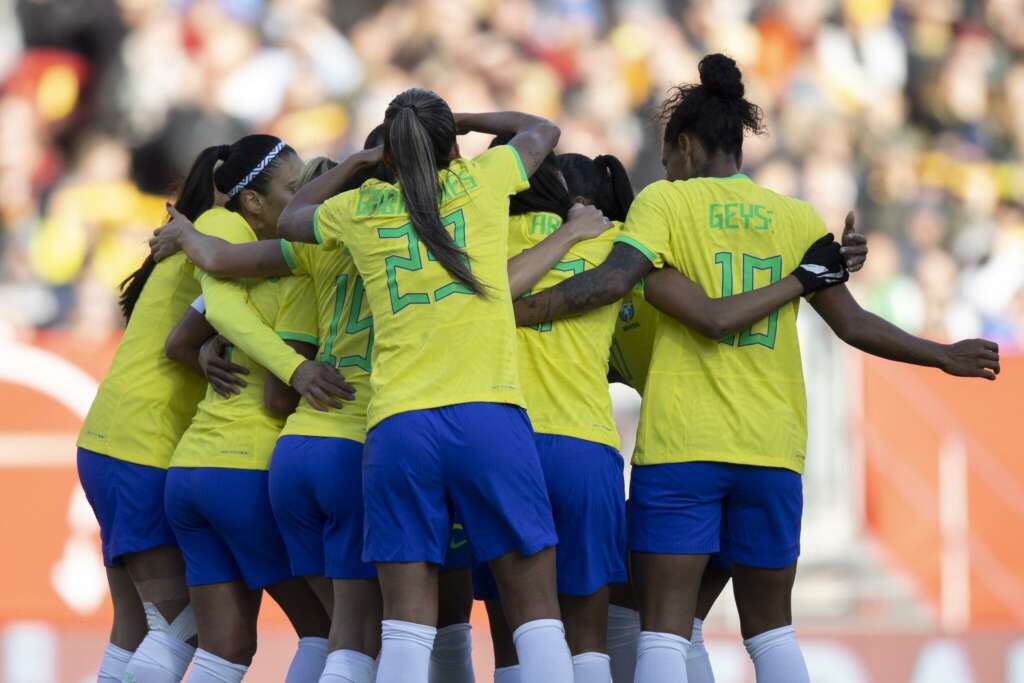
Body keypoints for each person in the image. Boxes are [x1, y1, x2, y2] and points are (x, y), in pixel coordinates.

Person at [513, 54, 999, 683]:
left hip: (685, 444)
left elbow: (614, 282)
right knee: (772, 633)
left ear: (686, 147)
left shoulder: (665, 203)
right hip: (773, 447)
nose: (666, 172)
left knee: (663, 629)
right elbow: (852, 325)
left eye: (667, 159)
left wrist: (513, 310)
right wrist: (941, 354)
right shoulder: (796, 217)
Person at [149, 134, 611, 683]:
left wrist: (191, 245)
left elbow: (225, 266)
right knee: (429, 624)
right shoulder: (457, 225)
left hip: (306, 450)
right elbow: (534, 145)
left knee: (340, 634)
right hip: (398, 436)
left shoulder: (330, 239)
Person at [276, 90, 575, 683]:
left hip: (399, 425)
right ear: (452, 145)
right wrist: (462, 119)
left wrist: (359, 161)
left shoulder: (361, 207)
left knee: (406, 627)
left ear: (389, 151)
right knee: (535, 610)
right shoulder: (482, 180)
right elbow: (542, 128)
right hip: (487, 415)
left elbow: (290, 219)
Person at [160, 134, 348, 683]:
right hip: (248, 471)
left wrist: (210, 355)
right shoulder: (305, 273)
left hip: (190, 468)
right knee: (334, 631)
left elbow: (179, 342)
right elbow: (276, 398)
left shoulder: (241, 271)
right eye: (291, 190)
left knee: (223, 647)